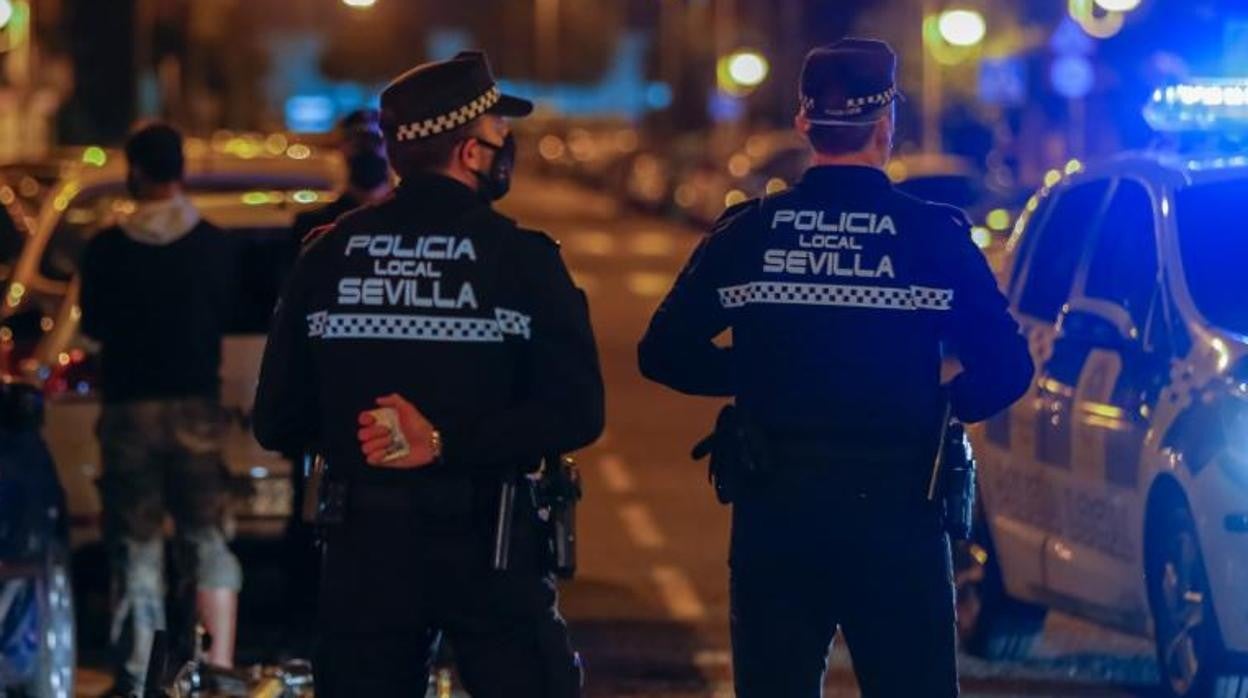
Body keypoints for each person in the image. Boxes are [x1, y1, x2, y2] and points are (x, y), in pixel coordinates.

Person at [638, 39, 1034, 698]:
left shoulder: (750, 233)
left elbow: (663, 352)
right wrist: (933, 406)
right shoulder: (932, 237)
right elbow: (1007, 366)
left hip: (777, 513)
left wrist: (766, 375)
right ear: (886, 128)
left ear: (804, 125)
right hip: (899, 512)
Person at [253, 51, 604, 698]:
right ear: (469, 153)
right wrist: (446, 443)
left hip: (364, 552)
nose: (507, 149)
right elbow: (578, 412)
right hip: (490, 547)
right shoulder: (523, 261)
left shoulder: (327, 254)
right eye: (500, 135)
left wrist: (364, 438)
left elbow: (278, 419)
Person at [80, 123, 241, 695]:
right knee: (206, 538)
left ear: (136, 172)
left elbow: (94, 326)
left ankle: (141, 675)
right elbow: (229, 312)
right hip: (196, 407)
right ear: (181, 172)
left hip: (130, 411)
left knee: (137, 545)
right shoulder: (215, 245)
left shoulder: (106, 248)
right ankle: (218, 666)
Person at [289, 108, 393, 248]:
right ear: (341, 148)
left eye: (376, 142)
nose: (369, 150)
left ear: (392, 149)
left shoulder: (409, 220)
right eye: (359, 144)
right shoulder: (313, 225)